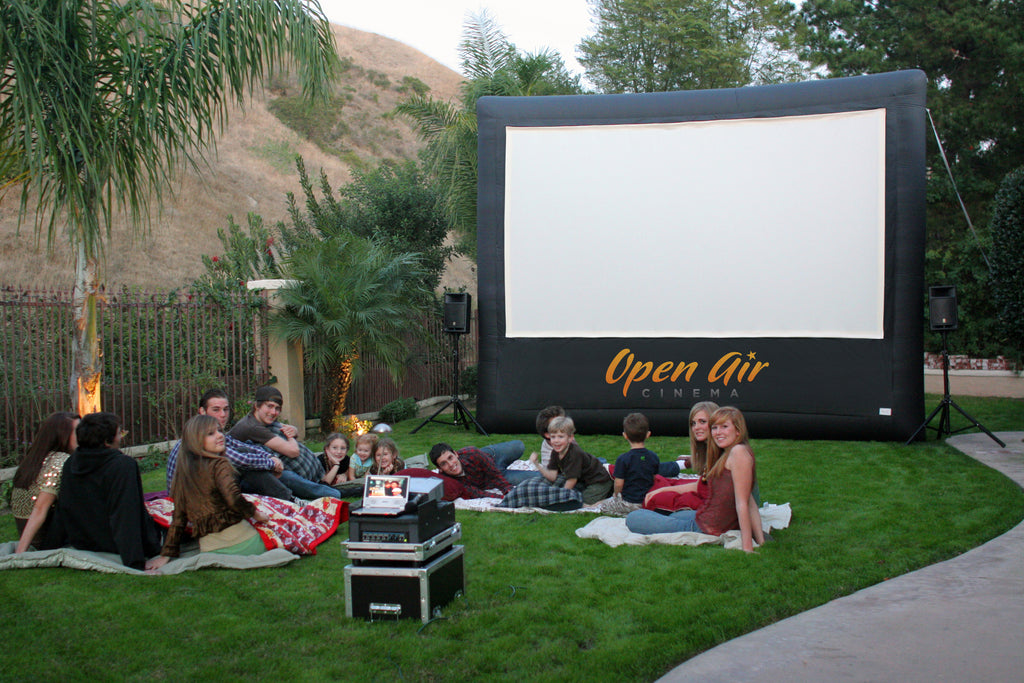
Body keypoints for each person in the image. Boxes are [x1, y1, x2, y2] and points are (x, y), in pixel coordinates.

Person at [626, 407, 765, 552]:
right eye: (715, 428)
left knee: (634, 518)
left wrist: (747, 547)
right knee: (677, 514)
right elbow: (750, 502)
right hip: (706, 517)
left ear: (738, 430)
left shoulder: (738, 452)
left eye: (724, 427)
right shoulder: (731, 452)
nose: (718, 432)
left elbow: (744, 503)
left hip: (707, 527)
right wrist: (761, 540)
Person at [146, 415, 270, 571]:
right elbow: (234, 500)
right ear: (195, 440)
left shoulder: (183, 474)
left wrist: (166, 555)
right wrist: (256, 514)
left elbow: (178, 520)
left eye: (219, 431)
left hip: (211, 551)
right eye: (210, 433)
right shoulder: (220, 464)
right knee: (280, 527)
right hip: (243, 544)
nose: (219, 435)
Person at [46, 412, 163, 569]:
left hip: (83, 541)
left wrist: (49, 547)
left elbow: (64, 508)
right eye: (118, 433)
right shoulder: (122, 466)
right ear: (107, 441)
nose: (121, 437)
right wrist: (135, 562)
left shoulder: (71, 463)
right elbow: (126, 514)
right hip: (113, 544)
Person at [166, 389, 296, 502]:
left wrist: (270, 457)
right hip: (190, 499)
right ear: (202, 411)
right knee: (247, 467)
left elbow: (240, 445)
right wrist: (272, 463)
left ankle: (289, 497)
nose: (222, 415)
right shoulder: (199, 434)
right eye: (216, 410)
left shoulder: (214, 432)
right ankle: (291, 499)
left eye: (226, 409)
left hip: (207, 489)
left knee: (247, 450)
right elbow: (241, 460)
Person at [228, 386, 345, 500]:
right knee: (283, 474)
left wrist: (294, 430)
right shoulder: (252, 427)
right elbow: (293, 451)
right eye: (269, 406)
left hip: (261, 467)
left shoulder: (262, 419)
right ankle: (331, 493)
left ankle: (330, 485)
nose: (273, 412)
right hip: (248, 478)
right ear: (256, 406)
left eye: (277, 408)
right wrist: (291, 436)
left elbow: (286, 430)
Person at [12, 412, 80, 553]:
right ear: (63, 435)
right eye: (78, 432)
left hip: (34, 535)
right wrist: (20, 552)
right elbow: (40, 508)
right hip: (47, 539)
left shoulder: (34, 460)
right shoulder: (60, 461)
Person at [642, 401, 719, 511]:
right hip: (705, 503)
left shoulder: (723, 454)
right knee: (659, 484)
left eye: (702, 422)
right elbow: (701, 486)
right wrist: (664, 490)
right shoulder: (708, 450)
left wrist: (664, 491)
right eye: (693, 423)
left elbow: (706, 491)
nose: (696, 427)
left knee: (637, 517)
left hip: (709, 512)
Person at [529, 416, 613, 505]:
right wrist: (537, 464)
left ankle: (608, 499)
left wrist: (559, 498)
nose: (556, 441)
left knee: (582, 503)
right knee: (568, 492)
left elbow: (571, 480)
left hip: (599, 481)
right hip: (582, 481)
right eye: (553, 437)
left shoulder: (575, 453)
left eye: (561, 437)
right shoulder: (555, 452)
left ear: (570, 438)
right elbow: (552, 476)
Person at [428, 442, 515, 500]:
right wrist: (503, 498)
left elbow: (495, 475)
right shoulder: (449, 482)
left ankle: (499, 461)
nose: (450, 464)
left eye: (450, 458)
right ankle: (503, 468)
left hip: (490, 459)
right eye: (444, 464)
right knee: (527, 477)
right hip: (490, 479)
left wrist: (508, 490)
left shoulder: (472, 453)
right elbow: (477, 493)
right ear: (439, 468)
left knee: (518, 446)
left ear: (456, 454)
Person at [611, 413, 661, 511]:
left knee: (603, 505)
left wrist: (616, 495)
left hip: (628, 502)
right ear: (648, 434)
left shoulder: (623, 459)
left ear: (625, 435)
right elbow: (654, 478)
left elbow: (618, 484)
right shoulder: (653, 457)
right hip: (647, 501)